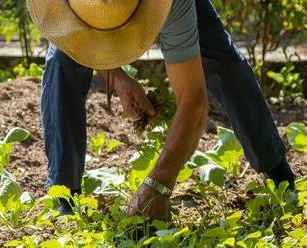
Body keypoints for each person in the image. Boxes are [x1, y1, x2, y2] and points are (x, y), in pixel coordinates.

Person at [27, 0, 296, 218]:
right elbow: (81, 42)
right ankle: (63, 195)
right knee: (63, 63)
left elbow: (192, 98)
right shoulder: (61, 8)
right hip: (81, 11)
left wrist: (158, 184)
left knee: (224, 62)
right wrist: (117, 78)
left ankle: (278, 175)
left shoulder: (174, 5)